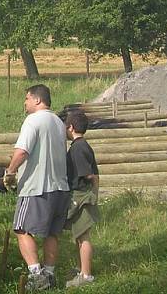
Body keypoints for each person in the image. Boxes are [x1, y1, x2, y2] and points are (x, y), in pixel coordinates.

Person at [3, 84, 70, 292]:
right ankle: (50, 274)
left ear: (37, 100)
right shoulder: (59, 122)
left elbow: (22, 151)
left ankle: (36, 274)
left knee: (21, 229)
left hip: (36, 186)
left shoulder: (33, 121)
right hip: (60, 186)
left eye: (27, 99)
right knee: (52, 233)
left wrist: (11, 171)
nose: (25, 103)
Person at [63, 110, 99, 289]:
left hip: (82, 196)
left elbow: (90, 175)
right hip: (81, 195)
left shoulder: (78, 148)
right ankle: (82, 269)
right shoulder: (81, 146)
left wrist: (93, 195)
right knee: (78, 235)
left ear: (70, 127)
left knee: (83, 236)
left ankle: (86, 275)